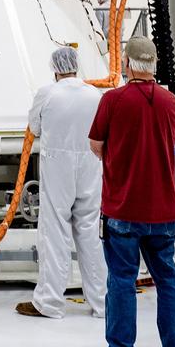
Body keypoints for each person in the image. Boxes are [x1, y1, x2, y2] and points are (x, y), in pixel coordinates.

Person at [88, 35, 175, 347]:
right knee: (168, 278)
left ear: (127, 64)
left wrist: (119, 154)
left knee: (121, 280)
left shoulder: (112, 101)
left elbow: (95, 145)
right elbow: (174, 138)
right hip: (163, 211)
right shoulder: (170, 101)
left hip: (123, 209)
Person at [16, 45, 107, 320]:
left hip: (58, 168)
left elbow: (35, 127)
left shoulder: (47, 93)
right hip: (91, 166)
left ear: (55, 69)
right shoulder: (95, 94)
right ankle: (103, 303)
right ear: (76, 66)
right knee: (90, 231)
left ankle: (50, 302)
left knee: (55, 231)